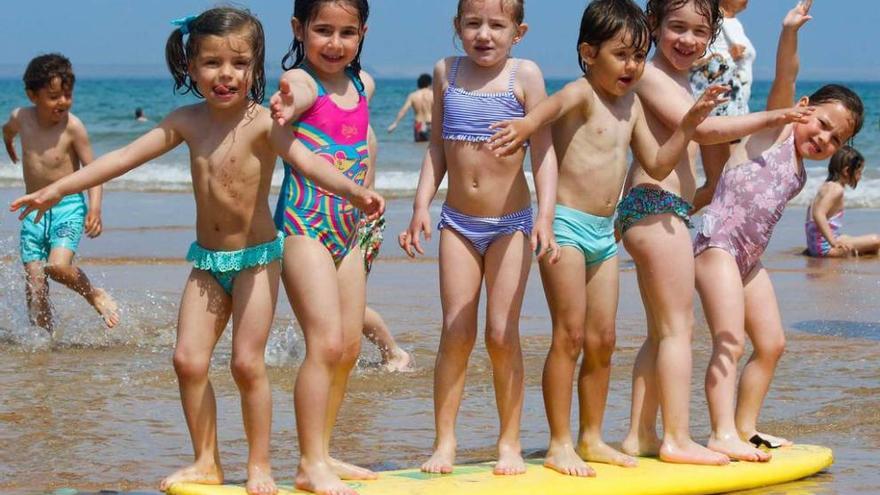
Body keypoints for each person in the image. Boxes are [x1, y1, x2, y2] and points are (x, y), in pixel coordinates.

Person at [12, 8, 382, 495]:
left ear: (254, 67)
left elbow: (308, 160)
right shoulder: (186, 121)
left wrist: (354, 192)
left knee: (247, 365)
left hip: (257, 261)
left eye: (238, 63)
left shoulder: (262, 124)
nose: (224, 74)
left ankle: (259, 465)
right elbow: (122, 158)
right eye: (211, 63)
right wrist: (57, 190)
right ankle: (206, 461)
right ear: (190, 67)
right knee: (187, 360)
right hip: (207, 263)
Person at [486, 0, 726, 477]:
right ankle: (559, 443)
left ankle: (592, 437)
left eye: (639, 56)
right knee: (570, 336)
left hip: (603, 233)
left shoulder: (632, 106)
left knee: (604, 339)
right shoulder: (579, 93)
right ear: (588, 52)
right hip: (566, 229)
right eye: (621, 55)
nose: (632, 66)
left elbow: (657, 165)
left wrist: (690, 124)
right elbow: (543, 114)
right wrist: (520, 129)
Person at [616, 0, 812, 466]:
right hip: (654, 205)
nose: (687, 40)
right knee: (677, 330)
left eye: (699, 32)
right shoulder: (650, 74)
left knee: (659, 333)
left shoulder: (681, 77)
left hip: (663, 208)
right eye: (676, 28)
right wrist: (773, 117)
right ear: (652, 26)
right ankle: (678, 439)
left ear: (712, 36)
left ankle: (640, 435)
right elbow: (704, 131)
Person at [695, 0, 864, 461]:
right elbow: (785, 73)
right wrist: (790, 32)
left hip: (749, 262)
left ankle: (745, 428)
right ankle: (720, 432)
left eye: (836, 140)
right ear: (802, 109)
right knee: (729, 338)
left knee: (772, 344)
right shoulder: (776, 130)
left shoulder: (800, 172)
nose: (824, 139)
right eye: (823, 124)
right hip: (718, 247)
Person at [398, 0, 559, 476]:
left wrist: (544, 217)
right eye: (473, 24)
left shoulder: (524, 75)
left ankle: (508, 441)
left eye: (497, 25)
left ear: (518, 31)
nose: (484, 34)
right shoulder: (446, 71)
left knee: (501, 333)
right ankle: (444, 441)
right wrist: (420, 206)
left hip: (510, 224)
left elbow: (543, 152)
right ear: (457, 27)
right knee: (456, 330)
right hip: (458, 223)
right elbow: (437, 149)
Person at [267, 1, 385, 494]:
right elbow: (292, 102)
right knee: (326, 343)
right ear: (298, 29)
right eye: (322, 31)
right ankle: (307, 462)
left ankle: (325, 451)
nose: (335, 43)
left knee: (351, 347)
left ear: (362, 32)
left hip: (351, 229)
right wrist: (285, 107)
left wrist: (371, 206)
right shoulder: (301, 82)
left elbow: (365, 142)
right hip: (304, 226)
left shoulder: (364, 85)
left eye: (347, 32)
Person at [2, 53, 118, 334]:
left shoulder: (73, 127)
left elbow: (95, 171)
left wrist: (95, 209)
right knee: (35, 282)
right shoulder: (21, 118)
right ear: (32, 96)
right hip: (33, 210)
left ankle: (93, 294)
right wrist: (10, 146)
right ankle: (44, 340)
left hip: (68, 207)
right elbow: (7, 131)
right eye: (54, 96)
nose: (63, 102)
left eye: (67, 95)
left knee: (55, 267)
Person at [690, 0, 756, 211]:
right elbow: (694, 61)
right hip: (718, 110)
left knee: (733, 183)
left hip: (736, 109)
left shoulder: (735, 23)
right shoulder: (709, 17)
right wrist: (729, 55)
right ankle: (654, 221)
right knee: (717, 185)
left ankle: (719, 237)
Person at [360, 128, 413, 372]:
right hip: (347, 219)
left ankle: (394, 352)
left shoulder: (362, 128)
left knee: (347, 301)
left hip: (360, 222)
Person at [806, 146, 879, 257]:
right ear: (846, 171)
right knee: (876, 240)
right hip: (825, 249)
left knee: (848, 238)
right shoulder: (836, 190)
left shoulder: (826, 186)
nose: (860, 176)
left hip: (816, 246)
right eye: (859, 172)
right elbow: (818, 214)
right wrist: (834, 243)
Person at [387, 73, 434, 142]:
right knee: (431, 149)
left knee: (418, 148)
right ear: (430, 83)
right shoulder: (433, 94)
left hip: (419, 125)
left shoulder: (413, 95)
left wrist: (395, 123)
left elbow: (404, 110)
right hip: (430, 124)